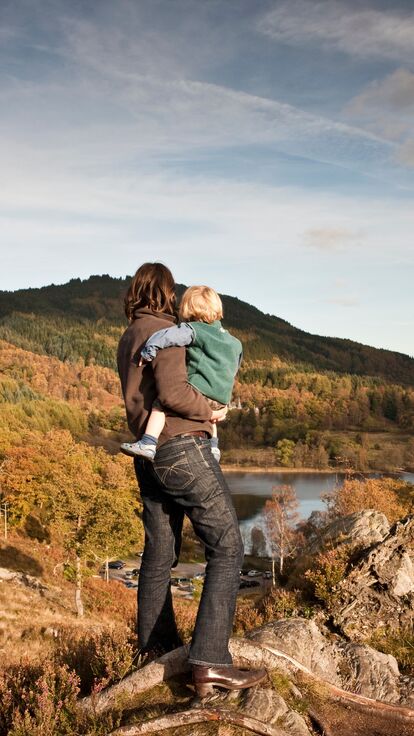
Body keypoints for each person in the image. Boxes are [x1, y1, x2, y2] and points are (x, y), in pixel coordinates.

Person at [117, 262, 266, 697]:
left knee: (160, 556)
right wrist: (212, 412)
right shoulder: (165, 330)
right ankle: (210, 663)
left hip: (150, 454)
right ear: (165, 293)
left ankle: (155, 654)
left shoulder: (130, 333)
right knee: (228, 546)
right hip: (183, 448)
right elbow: (173, 393)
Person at [119, 284, 242, 463]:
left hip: (198, 394)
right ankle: (214, 446)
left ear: (187, 308)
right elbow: (234, 367)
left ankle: (148, 442)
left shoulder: (193, 330)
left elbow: (167, 337)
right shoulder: (235, 342)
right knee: (212, 417)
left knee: (159, 405)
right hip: (221, 400)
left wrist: (149, 350)